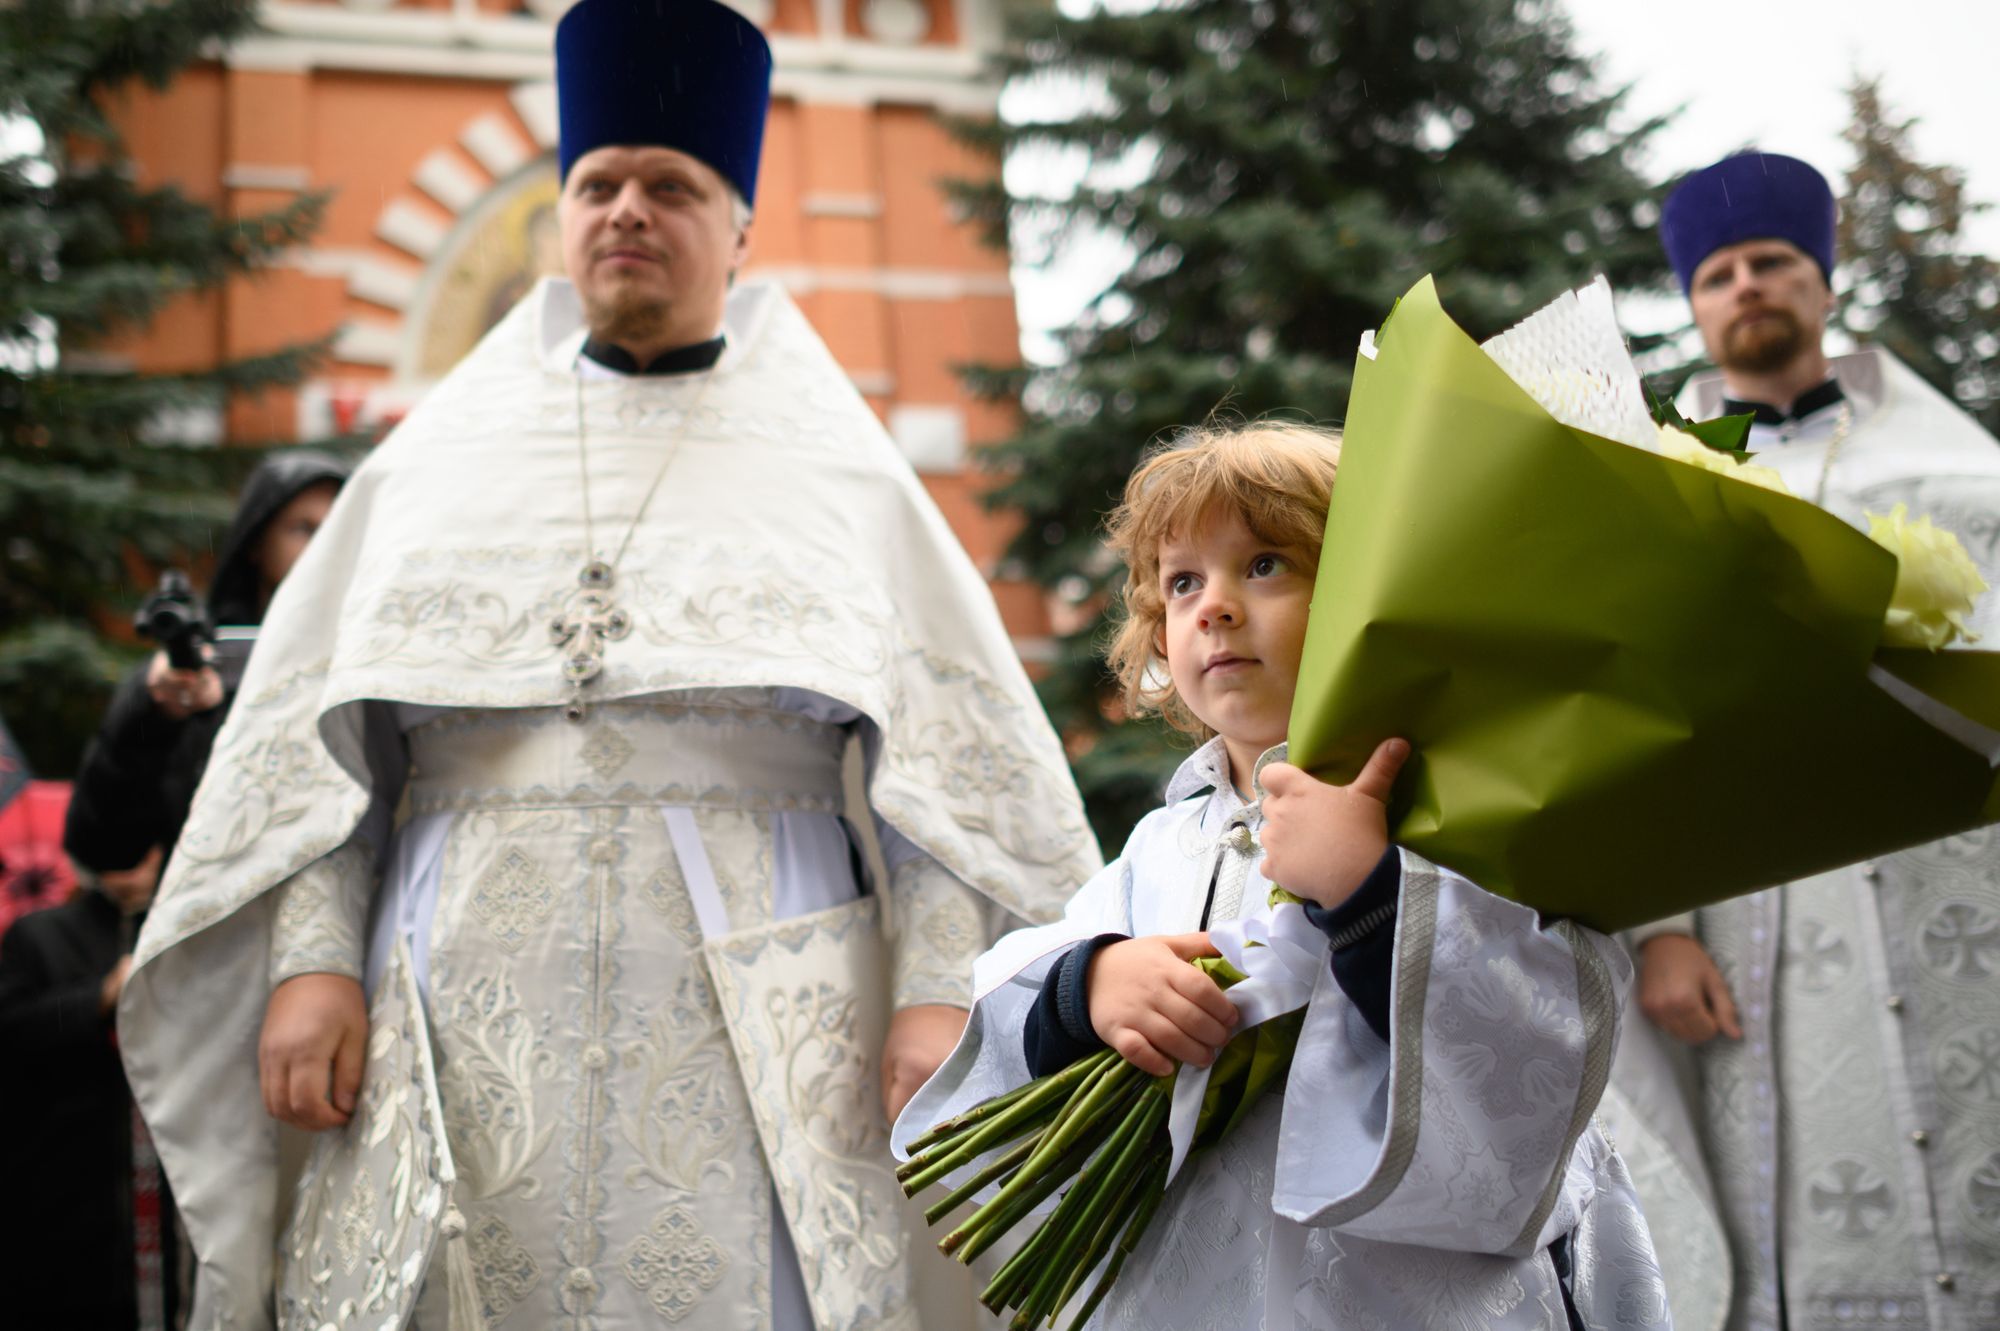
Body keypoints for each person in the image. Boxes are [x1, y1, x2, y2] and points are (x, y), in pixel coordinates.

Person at [116, 1, 1099, 1328]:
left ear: (738, 224)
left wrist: (936, 997)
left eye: (671, 185)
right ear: (564, 210)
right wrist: (311, 961)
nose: (628, 208)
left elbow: (941, 780)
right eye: (600, 183)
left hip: (765, 1009)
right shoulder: (435, 458)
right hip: (453, 986)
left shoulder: (841, 470)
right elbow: (330, 747)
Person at [896, 423, 1668, 1330]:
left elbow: (1539, 1040)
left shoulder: (1451, 805)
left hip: (1408, 1294)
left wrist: (1370, 891)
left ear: (1366, 594)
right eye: (1183, 581)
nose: (1213, 606)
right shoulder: (1164, 840)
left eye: (1264, 565)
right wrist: (1094, 981)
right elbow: (1035, 986)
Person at [1602, 151, 2000, 1331]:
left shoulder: (1962, 472)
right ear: (1693, 306)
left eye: (1770, 260)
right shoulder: (1654, 487)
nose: (1746, 286)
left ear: (1821, 282)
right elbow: (1624, 712)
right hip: (1764, 911)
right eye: (1717, 273)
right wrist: (1658, 932)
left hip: (1963, 894)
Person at [62, 448, 350, 879]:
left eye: (339, 530)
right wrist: (156, 716)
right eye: (303, 528)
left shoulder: (372, 663)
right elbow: (103, 844)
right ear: (256, 541)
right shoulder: (193, 671)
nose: (323, 546)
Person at [0, 846, 176, 1329]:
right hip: (61, 1207)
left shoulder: (183, 933)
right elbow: (10, 1029)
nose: (136, 857)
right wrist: (97, 997)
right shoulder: (36, 935)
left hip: (168, 1208)